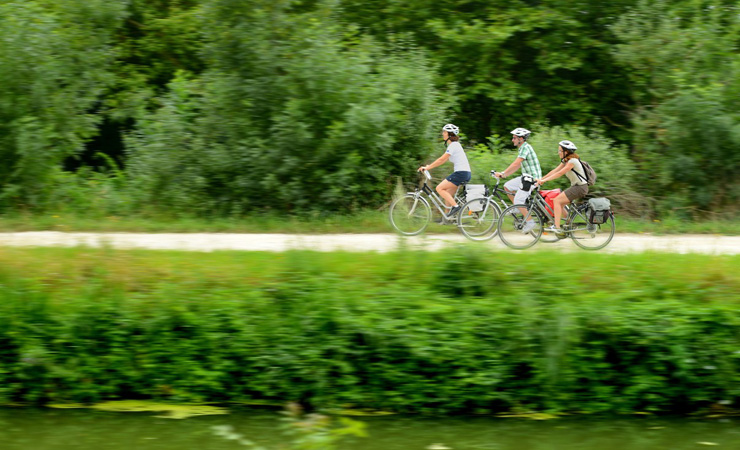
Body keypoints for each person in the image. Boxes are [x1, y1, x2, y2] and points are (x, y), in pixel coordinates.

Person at [493, 128, 542, 233]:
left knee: (518, 200)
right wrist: (504, 174)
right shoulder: (522, 148)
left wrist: (503, 173)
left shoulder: (526, 147)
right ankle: (517, 208)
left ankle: (530, 222)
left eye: (514, 138)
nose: (512, 140)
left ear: (521, 139)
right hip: (526, 177)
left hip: (532, 179)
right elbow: (517, 166)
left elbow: (516, 163)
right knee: (507, 186)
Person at [418, 123, 471, 219]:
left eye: (444, 132)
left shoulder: (454, 145)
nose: (443, 133)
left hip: (461, 173)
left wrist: (427, 168)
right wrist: (430, 166)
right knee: (448, 193)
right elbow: (443, 160)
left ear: (450, 134)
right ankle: (447, 217)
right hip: (464, 173)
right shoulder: (454, 145)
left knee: (439, 188)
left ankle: (456, 207)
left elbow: (441, 159)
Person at [536, 140, 589, 233]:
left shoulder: (572, 161)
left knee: (556, 201)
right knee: (560, 204)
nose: (558, 152)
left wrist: (544, 180)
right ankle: (569, 225)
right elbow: (555, 171)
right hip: (576, 187)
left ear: (566, 152)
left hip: (580, 188)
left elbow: (560, 173)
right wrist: (541, 179)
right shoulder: (566, 161)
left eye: (560, 151)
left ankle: (557, 227)